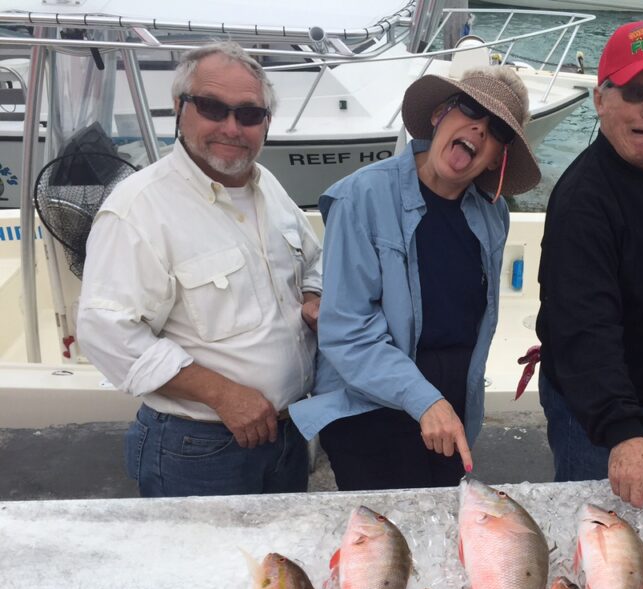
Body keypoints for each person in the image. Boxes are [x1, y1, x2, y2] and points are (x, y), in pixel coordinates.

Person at [78, 42, 322, 498]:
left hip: (288, 433)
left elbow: (314, 260)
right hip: (199, 446)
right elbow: (105, 331)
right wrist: (222, 394)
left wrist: (313, 296)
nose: (232, 127)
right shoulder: (139, 209)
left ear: (266, 122)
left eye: (250, 115)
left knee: (277, 564)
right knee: (203, 569)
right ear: (179, 107)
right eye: (212, 107)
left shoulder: (266, 185)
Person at [289, 68, 541, 491]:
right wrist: (425, 401)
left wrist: (447, 405)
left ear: (498, 156)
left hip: (449, 409)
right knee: (391, 540)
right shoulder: (361, 197)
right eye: (470, 108)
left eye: (496, 128)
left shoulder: (493, 213)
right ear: (440, 114)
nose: (479, 127)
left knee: (443, 531)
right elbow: (347, 333)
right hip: (370, 410)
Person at [534, 21, 643, 523]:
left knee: (632, 519)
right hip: (595, 407)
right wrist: (622, 430)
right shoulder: (585, 200)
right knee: (597, 527)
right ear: (600, 99)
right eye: (634, 92)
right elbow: (585, 325)